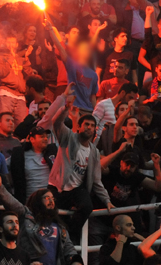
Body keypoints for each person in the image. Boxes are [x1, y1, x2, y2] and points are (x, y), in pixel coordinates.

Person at [39, 87, 113, 242]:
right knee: (49, 214)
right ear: (79, 126)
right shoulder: (69, 137)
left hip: (77, 189)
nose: (89, 128)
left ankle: (70, 235)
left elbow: (97, 180)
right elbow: (56, 122)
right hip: (57, 187)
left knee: (87, 207)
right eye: (86, 124)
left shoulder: (94, 151)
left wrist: (107, 200)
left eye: (92, 126)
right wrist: (65, 107)